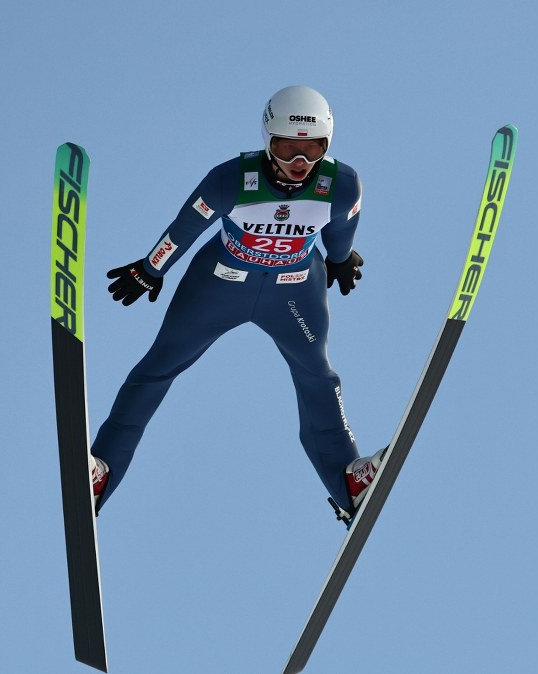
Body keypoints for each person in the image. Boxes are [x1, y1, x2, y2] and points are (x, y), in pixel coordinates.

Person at [88, 85, 382, 526]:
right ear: (268, 141)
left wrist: (341, 260)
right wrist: (151, 268)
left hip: (294, 292)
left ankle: (348, 482)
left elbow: (342, 230)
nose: (299, 163)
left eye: (311, 149)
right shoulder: (230, 180)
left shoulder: (341, 185)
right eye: (287, 148)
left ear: (327, 146)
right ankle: (101, 471)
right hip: (220, 286)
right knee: (158, 366)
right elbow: (185, 226)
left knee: (318, 376)